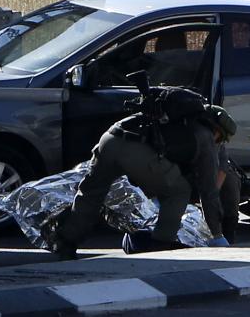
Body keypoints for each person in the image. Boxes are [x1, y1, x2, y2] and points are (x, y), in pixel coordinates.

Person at [54, 103, 237, 260]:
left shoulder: (173, 117)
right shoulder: (204, 136)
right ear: (216, 130)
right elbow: (209, 192)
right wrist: (217, 234)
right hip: (135, 151)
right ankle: (160, 245)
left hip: (109, 138)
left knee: (91, 194)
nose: (219, 143)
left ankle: (66, 242)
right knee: (179, 191)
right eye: (221, 138)